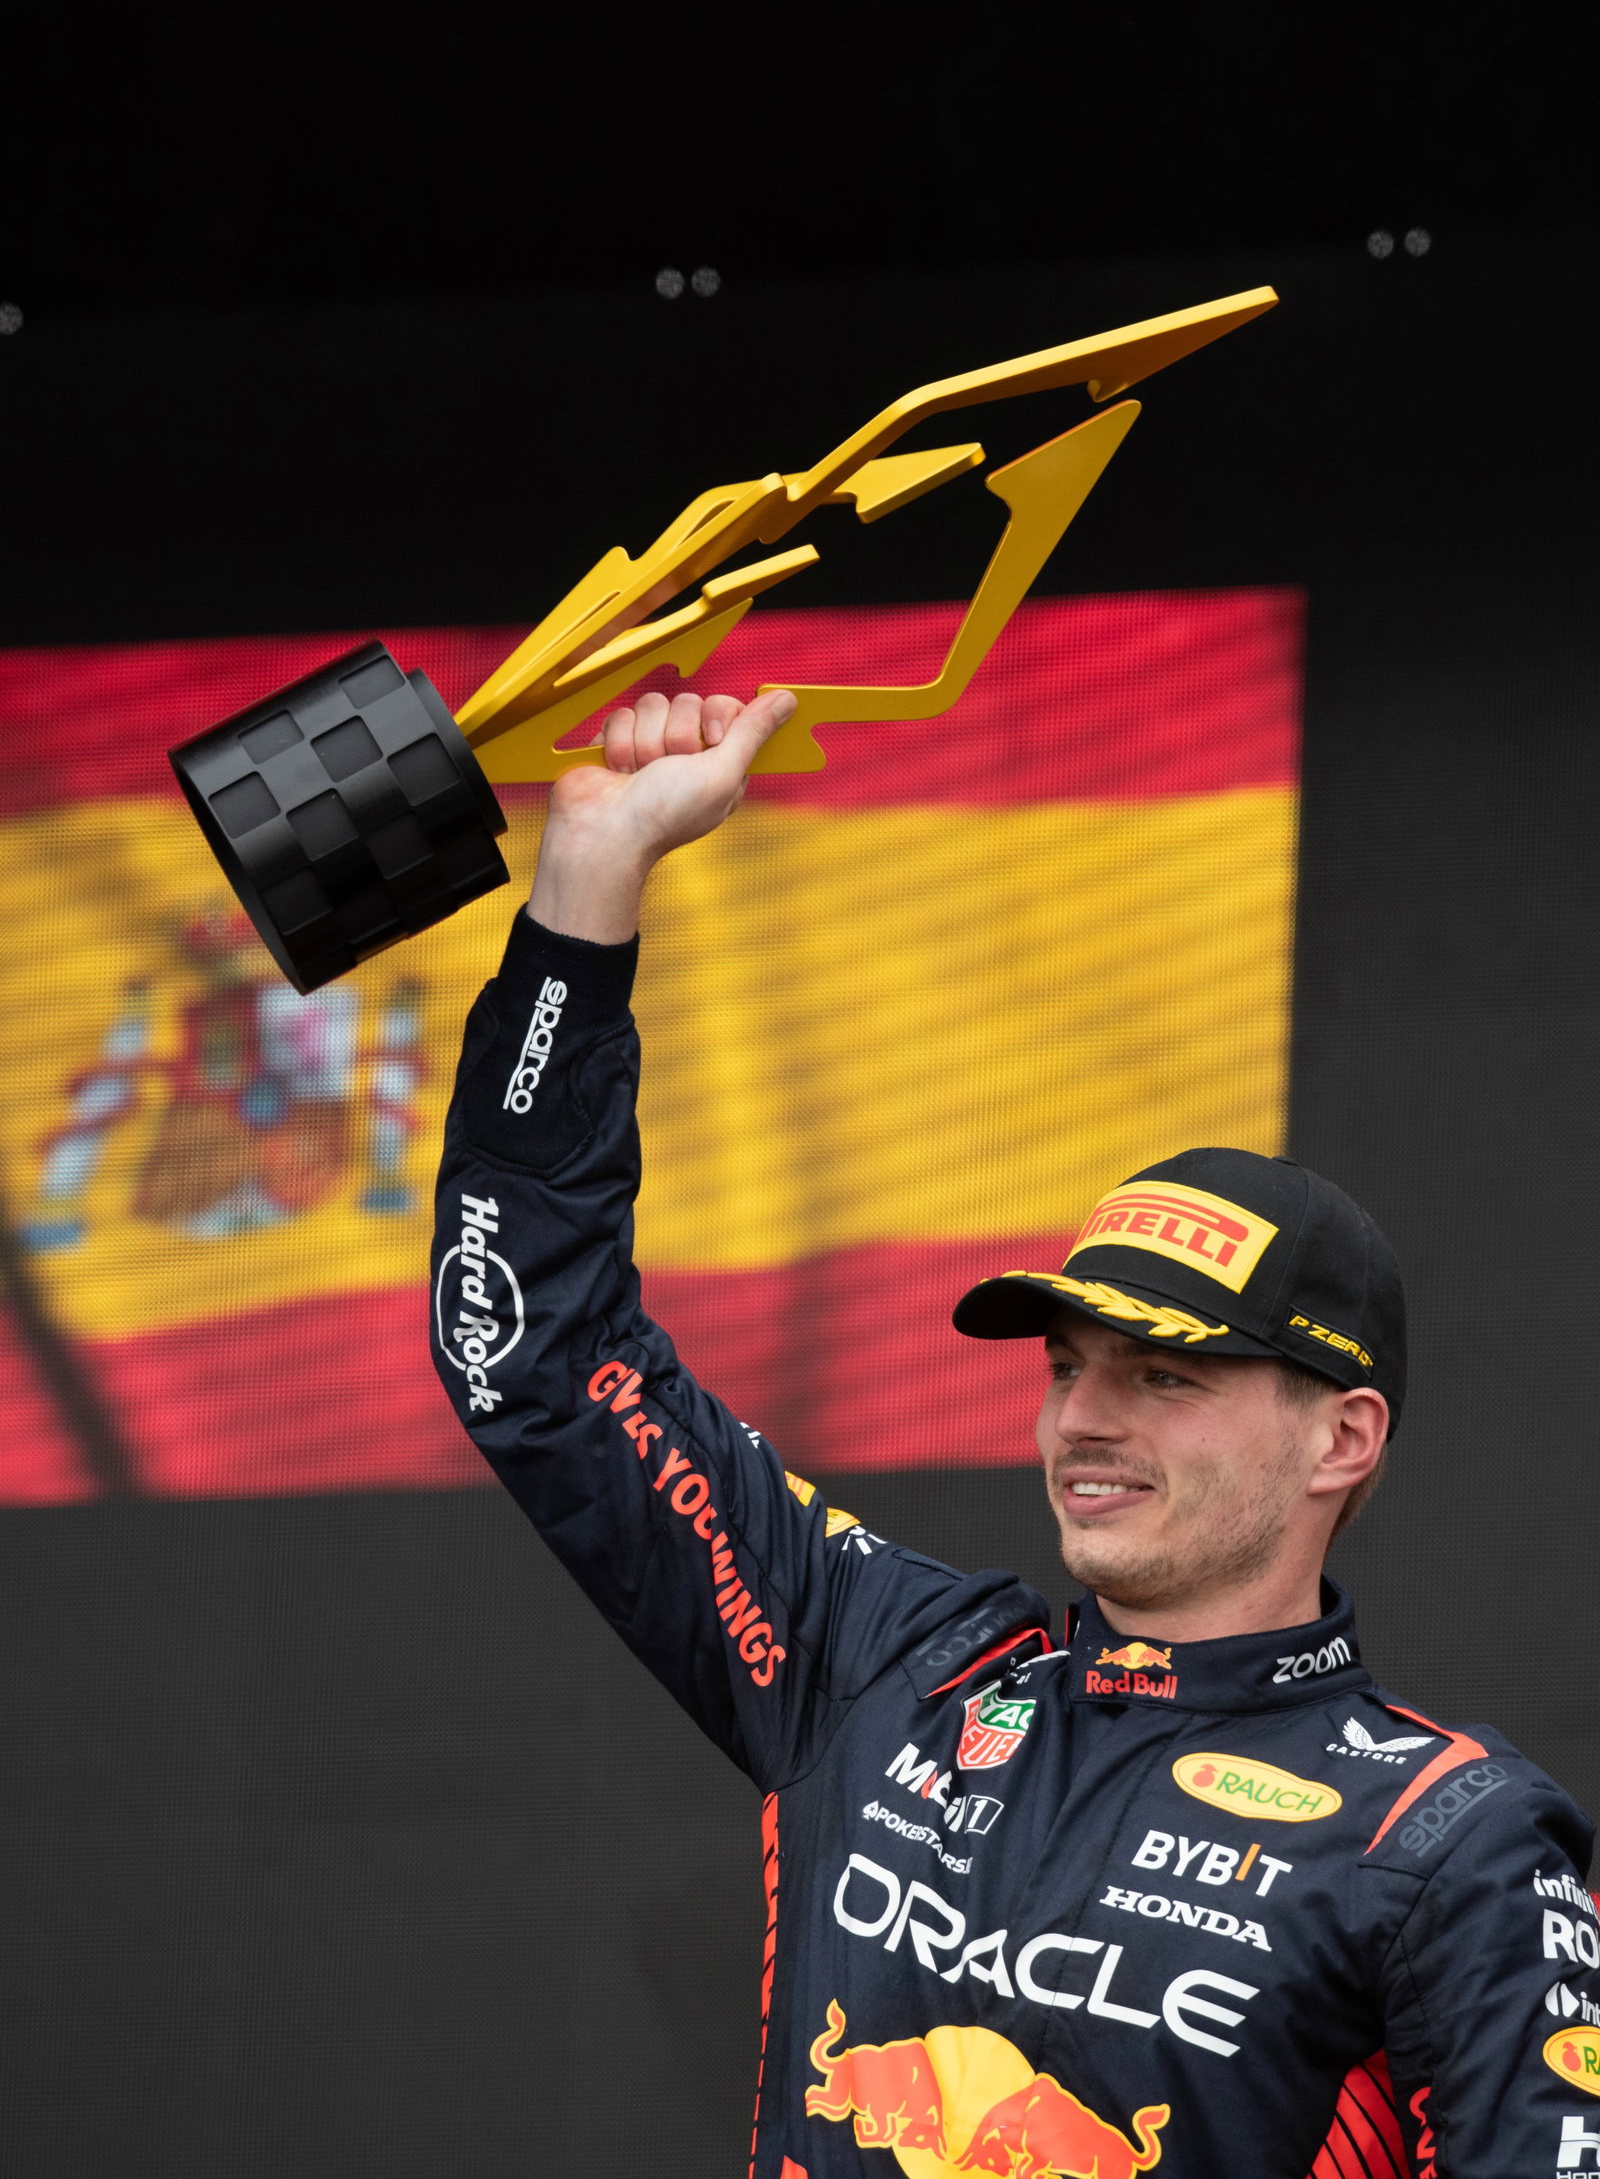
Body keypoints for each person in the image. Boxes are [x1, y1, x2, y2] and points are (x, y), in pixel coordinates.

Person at [429, 685, 1597, 2179]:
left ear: (1342, 1440)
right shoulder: (880, 1666)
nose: (1083, 1422)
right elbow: (529, 1347)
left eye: (1165, 1377)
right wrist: (588, 888)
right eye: (1065, 1366)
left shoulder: (1447, 1840)